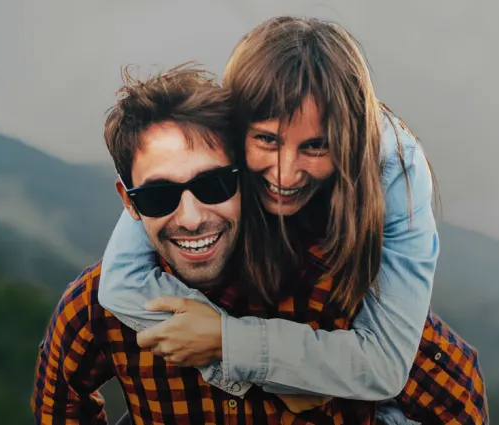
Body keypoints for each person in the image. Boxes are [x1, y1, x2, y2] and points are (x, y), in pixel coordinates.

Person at [32, 64, 485, 424]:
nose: (190, 218)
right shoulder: (96, 308)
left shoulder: (332, 287)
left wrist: (242, 348)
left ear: (247, 177)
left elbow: (454, 399)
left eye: (212, 185)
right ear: (128, 203)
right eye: (158, 195)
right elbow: (60, 406)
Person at [97, 16, 448, 421]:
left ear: (349, 139)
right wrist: (259, 377)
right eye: (266, 139)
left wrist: (226, 342)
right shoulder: (212, 138)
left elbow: (385, 365)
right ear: (233, 126)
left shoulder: (394, 169)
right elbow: (122, 280)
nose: (285, 175)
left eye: (316, 146)